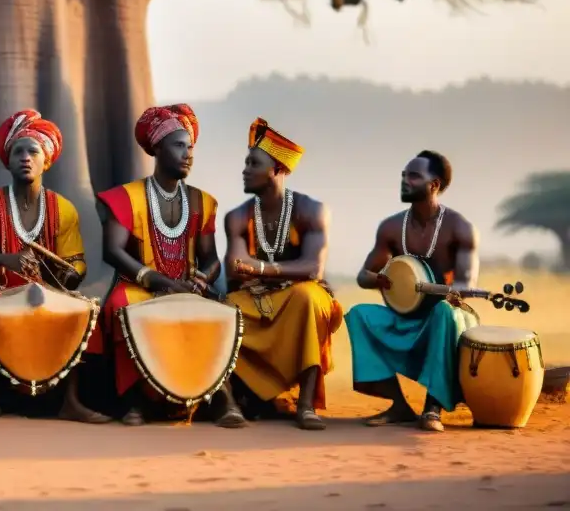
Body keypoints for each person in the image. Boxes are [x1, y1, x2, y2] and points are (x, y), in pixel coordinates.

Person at [0, 109, 108, 424]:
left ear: (46, 160)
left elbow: (77, 264)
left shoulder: (64, 209)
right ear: (8, 160)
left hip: (47, 292)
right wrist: (7, 259)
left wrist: (72, 274)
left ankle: (71, 401)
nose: (25, 157)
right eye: (17, 151)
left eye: (33, 151)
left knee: (90, 310)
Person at [88, 104, 221, 426]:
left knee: (221, 311)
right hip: (140, 286)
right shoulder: (126, 197)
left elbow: (212, 258)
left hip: (188, 286)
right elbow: (112, 251)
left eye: (190, 147)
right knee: (121, 305)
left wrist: (202, 281)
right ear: (157, 148)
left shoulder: (203, 201)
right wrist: (156, 280)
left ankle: (212, 397)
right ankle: (135, 402)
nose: (187, 154)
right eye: (179, 145)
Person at [221, 118, 343, 431]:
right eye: (246, 162)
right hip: (254, 298)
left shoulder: (312, 210)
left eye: (253, 163)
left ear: (277, 169)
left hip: (298, 295)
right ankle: (229, 404)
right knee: (221, 312)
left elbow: (312, 268)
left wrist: (261, 269)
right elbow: (236, 266)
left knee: (307, 297)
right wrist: (277, 273)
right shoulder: (237, 216)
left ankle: (306, 406)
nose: (245, 169)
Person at [345, 150, 480, 433]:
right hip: (405, 319)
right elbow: (363, 275)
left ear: (434, 185)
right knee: (359, 314)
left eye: (414, 176)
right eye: (403, 176)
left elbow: (466, 285)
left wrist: (451, 291)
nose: (405, 181)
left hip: (448, 320)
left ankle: (433, 406)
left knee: (444, 311)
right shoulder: (392, 227)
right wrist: (378, 280)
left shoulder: (459, 227)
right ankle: (398, 405)